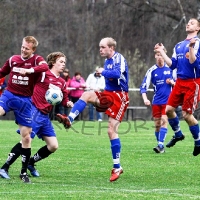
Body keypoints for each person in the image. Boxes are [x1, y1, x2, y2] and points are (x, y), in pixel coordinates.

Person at [56, 37, 129, 182]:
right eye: (100, 47)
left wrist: (103, 72)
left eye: (103, 47)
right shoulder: (107, 61)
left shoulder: (118, 58)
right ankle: (69, 119)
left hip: (120, 97)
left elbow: (117, 74)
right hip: (108, 95)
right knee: (87, 94)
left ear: (111, 48)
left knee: (111, 131)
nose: (100, 49)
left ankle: (117, 167)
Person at [0, 52, 73, 180]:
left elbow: (64, 98)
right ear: (53, 62)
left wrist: (68, 103)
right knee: (26, 140)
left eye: (64, 63)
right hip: (34, 111)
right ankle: (5, 167)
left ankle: (31, 163)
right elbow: (30, 77)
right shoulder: (43, 74)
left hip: (45, 116)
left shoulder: (62, 82)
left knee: (53, 146)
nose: (63, 65)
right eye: (61, 62)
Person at [0, 36, 48, 183]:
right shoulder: (13, 59)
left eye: (27, 48)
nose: (23, 49)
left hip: (25, 101)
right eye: (22, 46)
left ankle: (23, 172)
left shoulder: (36, 60)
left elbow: (45, 67)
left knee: (26, 137)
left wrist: (30, 71)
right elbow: (2, 72)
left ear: (33, 49)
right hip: (9, 96)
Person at [154, 18, 200, 156]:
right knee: (168, 110)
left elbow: (193, 63)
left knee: (187, 115)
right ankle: (178, 134)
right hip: (180, 82)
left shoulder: (197, 43)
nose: (188, 24)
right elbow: (172, 64)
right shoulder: (179, 45)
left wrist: (191, 48)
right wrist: (162, 51)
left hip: (193, 82)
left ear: (198, 28)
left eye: (192, 23)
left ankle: (198, 141)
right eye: (188, 22)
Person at [140, 47, 175, 153]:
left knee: (164, 121)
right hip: (156, 102)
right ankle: (160, 145)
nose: (160, 57)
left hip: (168, 101)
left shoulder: (171, 69)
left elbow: (179, 84)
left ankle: (160, 145)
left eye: (161, 54)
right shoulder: (151, 70)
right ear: (155, 56)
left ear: (164, 55)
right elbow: (143, 86)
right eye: (158, 55)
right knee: (157, 126)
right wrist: (145, 99)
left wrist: (172, 83)